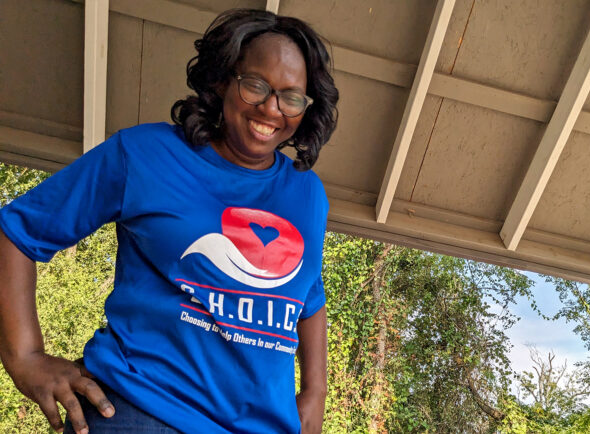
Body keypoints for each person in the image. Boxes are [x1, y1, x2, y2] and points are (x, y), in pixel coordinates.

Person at [0, 8, 338, 433]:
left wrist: (315, 392)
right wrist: (24, 357)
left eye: (291, 97)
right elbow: (16, 232)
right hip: (140, 412)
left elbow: (308, 295)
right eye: (255, 85)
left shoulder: (307, 194)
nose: (271, 108)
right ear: (222, 80)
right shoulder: (144, 154)